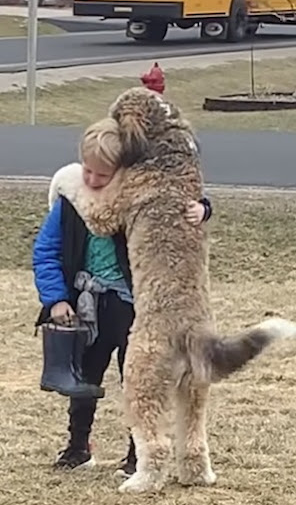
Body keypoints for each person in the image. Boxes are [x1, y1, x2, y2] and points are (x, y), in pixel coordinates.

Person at [32, 118, 213, 473]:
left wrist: (203, 208)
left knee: (138, 380)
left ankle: (137, 455)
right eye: (88, 171)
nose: (94, 181)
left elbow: (177, 209)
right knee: (83, 375)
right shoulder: (70, 202)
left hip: (133, 307)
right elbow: (46, 251)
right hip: (86, 305)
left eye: (104, 175)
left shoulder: (139, 201)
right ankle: (78, 447)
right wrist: (57, 299)